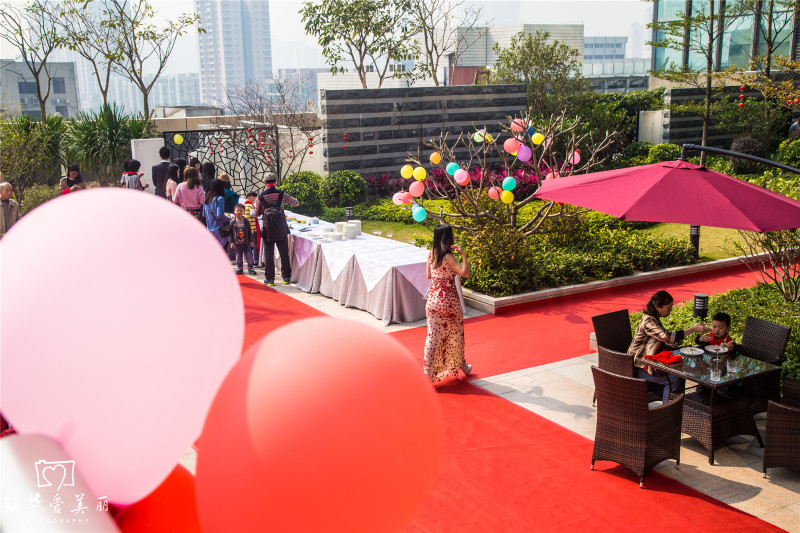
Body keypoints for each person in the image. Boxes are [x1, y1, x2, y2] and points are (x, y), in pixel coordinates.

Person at [628, 290, 709, 403]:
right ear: (657, 306)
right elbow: (666, 336)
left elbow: (660, 339)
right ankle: (668, 411)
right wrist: (693, 329)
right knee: (674, 379)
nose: (670, 311)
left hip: (647, 361)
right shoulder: (648, 321)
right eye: (669, 308)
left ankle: (676, 406)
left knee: (680, 374)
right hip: (638, 366)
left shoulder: (652, 318)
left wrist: (669, 345)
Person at [423, 224, 472, 383]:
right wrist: (464, 255)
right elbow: (465, 274)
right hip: (449, 301)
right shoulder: (448, 256)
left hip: (432, 300)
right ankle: (463, 366)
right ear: (447, 237)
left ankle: (428, 372)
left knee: (432, 336)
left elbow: (429, 275)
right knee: (455, 334)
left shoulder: (432, 254)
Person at [253, 173, 299, 286]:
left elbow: (257, 213)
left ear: (265, 183)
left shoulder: (260, 196)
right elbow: (295, 203)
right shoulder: (282, 194)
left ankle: (270, 279)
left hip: (267, 228)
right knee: (284, 252)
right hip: (281, 227)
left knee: (269, 253)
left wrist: (251, 212)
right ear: (275, 182)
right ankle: (286, 277)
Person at [203, 178, 231, 249]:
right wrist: (229, 219)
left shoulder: (206, 199)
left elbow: (204, 214)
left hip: (209, 230)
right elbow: (220, 215)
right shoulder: (220, 199)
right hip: (219, 231)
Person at [231, 204, 256, 275]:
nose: (239, 212)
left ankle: (250, 268)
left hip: (246, 242)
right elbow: (230, 234)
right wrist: (232, 242)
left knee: (249, 256)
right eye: (237, 210)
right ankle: (240, 268)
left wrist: (251, 241)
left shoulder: (246, 221)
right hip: (237, 243)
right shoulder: (233, 222)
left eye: (241, 210)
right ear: (234, 211)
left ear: (244, 212)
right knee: (238, 256)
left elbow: (249, 232)